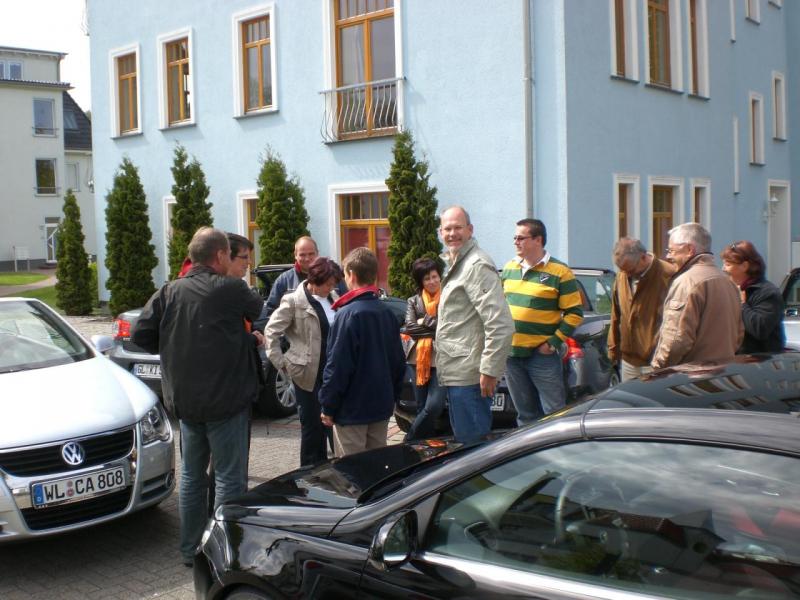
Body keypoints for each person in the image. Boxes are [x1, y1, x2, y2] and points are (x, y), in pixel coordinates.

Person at [131, 227, 264, 567]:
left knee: (192, 477)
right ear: (220, 255)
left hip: (187, 403)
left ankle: (191, 549)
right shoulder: (231, 288)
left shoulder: (170, 290)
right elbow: (257, 307)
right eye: (230, 255)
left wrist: (175, 345)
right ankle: (223, 553)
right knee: (229, 479)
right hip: (226, 402)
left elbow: (140, 333)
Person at [436, 206, 514, 443]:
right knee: (466, 446)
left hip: (470, 378)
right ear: (440, 232)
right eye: (447, 229)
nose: (452, 234)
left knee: (473, 449)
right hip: (459, 373)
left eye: (458, 228)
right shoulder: (458, 264)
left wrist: (489, 370)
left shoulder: (476, 265)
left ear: (470, 230)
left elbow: (500, 324)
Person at [319, 247, 406, 457]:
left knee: (352, 469)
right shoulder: (387, 313)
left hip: (351, 410)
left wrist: (328, 405)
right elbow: (398, 362)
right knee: (377, 464)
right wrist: (392, 397)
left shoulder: (346, 315)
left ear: (351, 275)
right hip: (380, 406)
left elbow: (337, 366)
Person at [500, 218, 583, 424]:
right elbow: (499, 307)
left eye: (521, 238)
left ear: (538, 240)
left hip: (541, 356)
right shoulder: (509, 267)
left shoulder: (560, 271)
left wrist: (552, 343)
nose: (516, 242)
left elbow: (574, 313)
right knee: (525, 416)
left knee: (554, 414)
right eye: (514, 238)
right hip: (512, 355)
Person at [265, 257, 343, 466]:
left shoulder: (333, 297)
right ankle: (309, 473)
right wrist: (282, 363)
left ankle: (332, 469)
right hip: (306, 373)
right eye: (328, 284)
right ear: (315, 280)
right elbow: (271, 331)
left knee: (332, 422)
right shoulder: (293, 301)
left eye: (334, 284)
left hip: (331, 371)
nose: (331, 288)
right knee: (312, 425)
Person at [651, 223, 743, 369]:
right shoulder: (728, 282)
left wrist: (657, 368)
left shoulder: (686, 282)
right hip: (724, 372)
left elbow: (676, 341)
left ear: (689, 250)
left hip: (691, 375)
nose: (668, 256)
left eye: (671, 250)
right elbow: (738, 335)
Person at [608, 237, 675, 381]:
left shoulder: (668, 275)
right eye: (623, 270)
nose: (627, 274)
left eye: (631, 270)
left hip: (656, 362)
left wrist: (663, 357)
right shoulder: (622, 275)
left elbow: (676, 322)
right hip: (628, 360)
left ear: (643, 257)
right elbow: (616, 314)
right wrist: (613, 349)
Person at [402, 257, 446, 441]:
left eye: (435, 276)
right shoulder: (413, 301)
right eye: (427, 278)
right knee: (421, 406)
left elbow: (448, 328)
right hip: (417, 360)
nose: (432, 281)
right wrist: (434, 327)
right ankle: (424, 446)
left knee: (434, 406)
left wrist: (424, 320)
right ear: (421, 281)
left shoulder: (448, 298)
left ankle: (409, 439)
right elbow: (410, 328)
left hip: (442, 358)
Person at [721, 240, 785, 353]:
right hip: (731, 359)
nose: (723, 269)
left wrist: (742, 304)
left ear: (744, 266)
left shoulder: (768, 293)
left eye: (728, 264)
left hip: (760, 361)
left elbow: (760, 329)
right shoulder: (730, 290)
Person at [265, 236, 346, 317]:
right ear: (295, 255)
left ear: (317, 253)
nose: (307, 258)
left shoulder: (333, 277)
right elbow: (271, 311)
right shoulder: (284, 280)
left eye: (311, 254)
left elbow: (346, 306)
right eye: (302, 255)